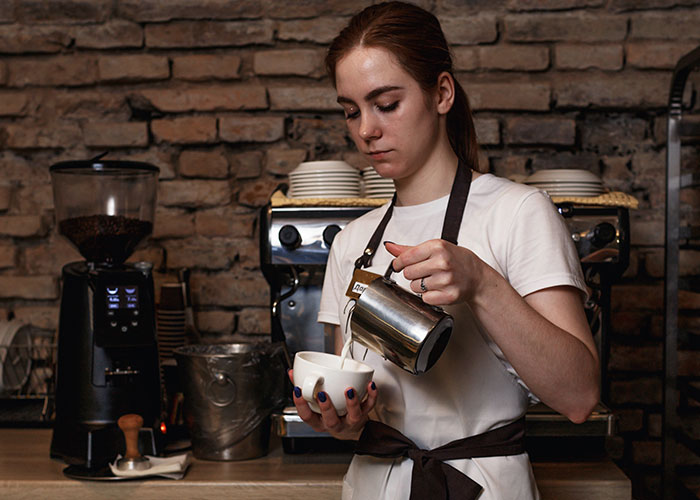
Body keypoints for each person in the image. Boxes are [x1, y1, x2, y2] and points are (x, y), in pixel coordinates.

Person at [288, 2, 600, 499]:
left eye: (385, 104)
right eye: (351, 111)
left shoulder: (517, 212)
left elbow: (580, 396)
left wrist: (480, 284)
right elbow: (351, 410)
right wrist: (339, 419)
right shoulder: (352, 243)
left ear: (442, 92)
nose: (366, 129)